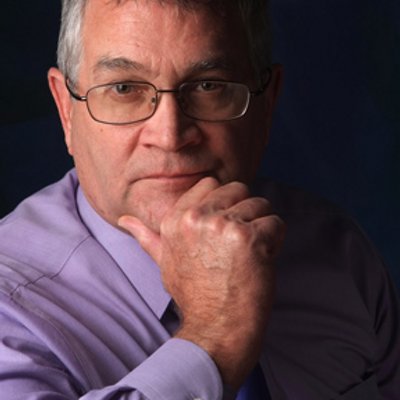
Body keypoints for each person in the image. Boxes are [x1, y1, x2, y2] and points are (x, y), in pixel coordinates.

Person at [0, 0, 398, 399]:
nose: (170, 136)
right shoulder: (10, 309)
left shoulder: (337, 252)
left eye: (209, 86)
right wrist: (216, 336)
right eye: (124, 89)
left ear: (267, 103)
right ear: (66, 110)